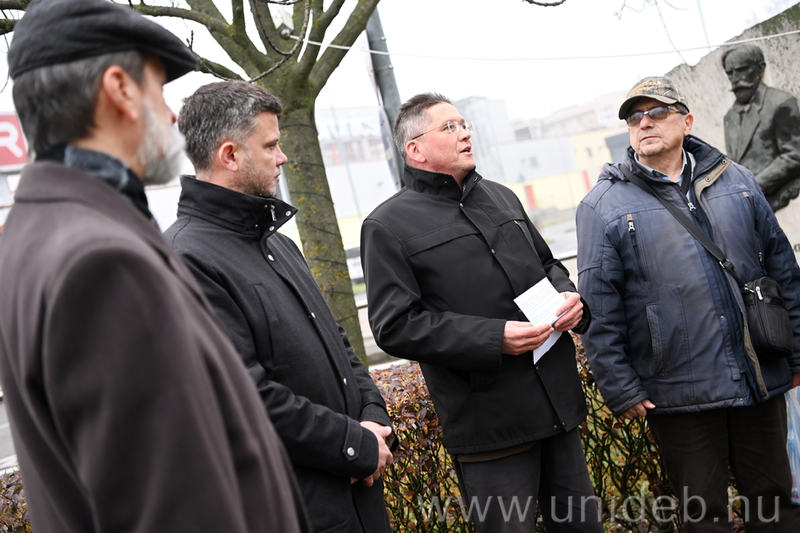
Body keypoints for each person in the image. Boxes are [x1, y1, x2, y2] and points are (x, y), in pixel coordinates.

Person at [0, 1, 312, 532]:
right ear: (120, 89)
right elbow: (171, 502)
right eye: (158, 90)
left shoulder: (37, 234)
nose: (170, 116)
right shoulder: (101, 261)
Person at [361, 93, 601, 533]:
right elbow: (395, 326)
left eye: (464, 124)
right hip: (490, 427)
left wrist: (569, 297)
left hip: (558, 406)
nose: (465, 133)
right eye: (449, 127)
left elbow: (547, 264)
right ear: (415, 148)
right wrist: (494, 339)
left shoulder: (502, 197)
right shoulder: (387, 225)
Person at [163, 81, 395, 533]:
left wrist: (373, 419)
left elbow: (339, 345)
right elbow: (245, 398)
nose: (283, 157)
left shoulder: (279, 244)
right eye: (270, 146)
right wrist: (353, 446)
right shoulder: (185, 260)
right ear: (230, 155)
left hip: (358, 500)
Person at [577, 75, 800, 531]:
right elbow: (599, 306)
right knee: (704, 516)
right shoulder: (603, 205)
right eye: (634, 118)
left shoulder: (737, 180)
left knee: (775, 505)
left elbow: (783, 271)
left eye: (657, 112)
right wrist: (620, 386)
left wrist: (796, 353)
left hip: (758, 375)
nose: (644, 123)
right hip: (678, 391)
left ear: (687, 121)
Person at [722, 44, 800, 212]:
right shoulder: (730, 116)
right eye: (730, 72)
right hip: (749, 208)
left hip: (780, 199)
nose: (735, 78)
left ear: (760, 68)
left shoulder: (781, 102)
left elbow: (794, 155)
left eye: (742, 70)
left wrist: (755, 186)